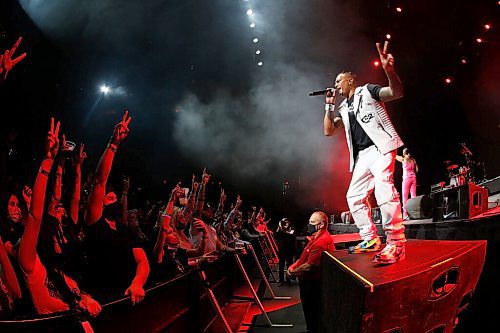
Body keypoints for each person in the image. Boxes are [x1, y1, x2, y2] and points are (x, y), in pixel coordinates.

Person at [323, 40, 406, 264]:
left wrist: (389, 70)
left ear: (351, 80)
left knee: (383, 189)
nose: (336, 85)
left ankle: (396, 242)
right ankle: (370, 238)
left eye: (339, 81)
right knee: (354, 197)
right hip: (361, 156)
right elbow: (329, 131)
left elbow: (395, 92)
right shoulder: (342, 107)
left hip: (380, 148)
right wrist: (329, 105)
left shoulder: (367, 91)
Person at [287, 211, 334, 333]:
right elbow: (303, 258)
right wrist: (294, 265)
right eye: (309, 222)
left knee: (313, 313)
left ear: (322, 224)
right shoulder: (315, 238)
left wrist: (292, 273)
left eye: (312, 222)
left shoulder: (321, 242)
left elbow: (309, 266)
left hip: (312, 285)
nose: (309, 225)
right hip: (307, 283)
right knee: (309, 312)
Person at [396, 148, 418, 220]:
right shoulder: (413, 160)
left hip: (407, 179)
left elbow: (394, 156)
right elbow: (417, 170)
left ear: (404, 153)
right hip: (413, 178)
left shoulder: (403, 159)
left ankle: (405, 215)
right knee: (413, 196)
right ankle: (414, 214)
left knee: (405, 197)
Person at [275, 217, 295, 286]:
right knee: (281, 265)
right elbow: (276, 235)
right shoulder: (280, 230)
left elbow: (290, 234)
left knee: (289, 265)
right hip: (282, 250)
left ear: (289, 222)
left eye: (286, 222)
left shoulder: (292, 228)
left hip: (289, 249)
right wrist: (279, 226)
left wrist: (283, 229)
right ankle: (281, 280)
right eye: (284, 222)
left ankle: (288, 280)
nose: (285, 223)